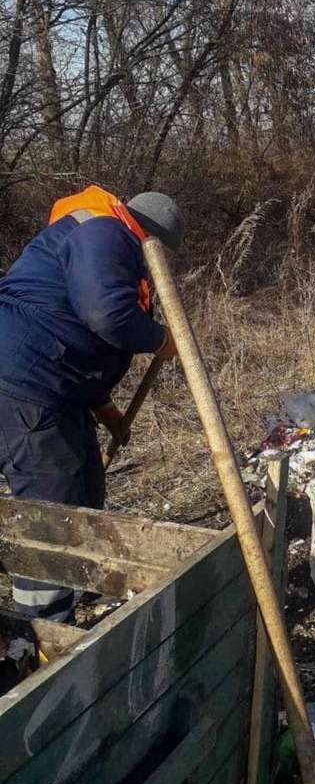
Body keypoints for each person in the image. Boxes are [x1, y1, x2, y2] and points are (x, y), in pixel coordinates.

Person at [0, 185, 185, 621]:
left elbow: (73, 327)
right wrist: (162, 339)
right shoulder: (107, 232)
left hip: (54, 388)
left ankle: (77, 585)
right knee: (51, 513)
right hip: (26, 388)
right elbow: (106, 315)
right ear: (153, 239)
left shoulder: (101, 237)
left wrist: (104, 407)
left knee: (85, 481)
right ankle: (44, 633)